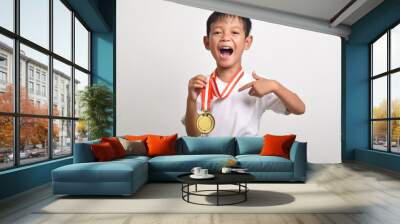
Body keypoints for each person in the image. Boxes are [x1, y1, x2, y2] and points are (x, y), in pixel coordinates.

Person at [182, 12, 305, 137]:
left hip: (244, 155)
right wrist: (191, 100)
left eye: (234, 32)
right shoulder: (201, 85)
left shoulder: (257, 85)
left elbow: (300, 109)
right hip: (211, 155)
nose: (225, 37)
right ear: (207, 42)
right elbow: (194, 136)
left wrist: (275, 86)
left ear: (247, 42)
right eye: (218, 32)